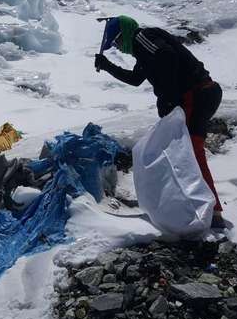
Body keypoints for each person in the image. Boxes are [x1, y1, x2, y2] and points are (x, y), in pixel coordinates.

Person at [94, 15, 226, 229]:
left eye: (117, 41)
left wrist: (169, 97)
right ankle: (199, 205)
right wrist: (107, 66)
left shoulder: (142, 37)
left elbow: (167, 56)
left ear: (125, 33)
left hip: (196, 94)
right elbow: (136, 79)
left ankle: (213, 211)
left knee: (193, 152)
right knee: (187, 152)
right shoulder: (143, 51)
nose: (118, 46)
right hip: (201, 94)